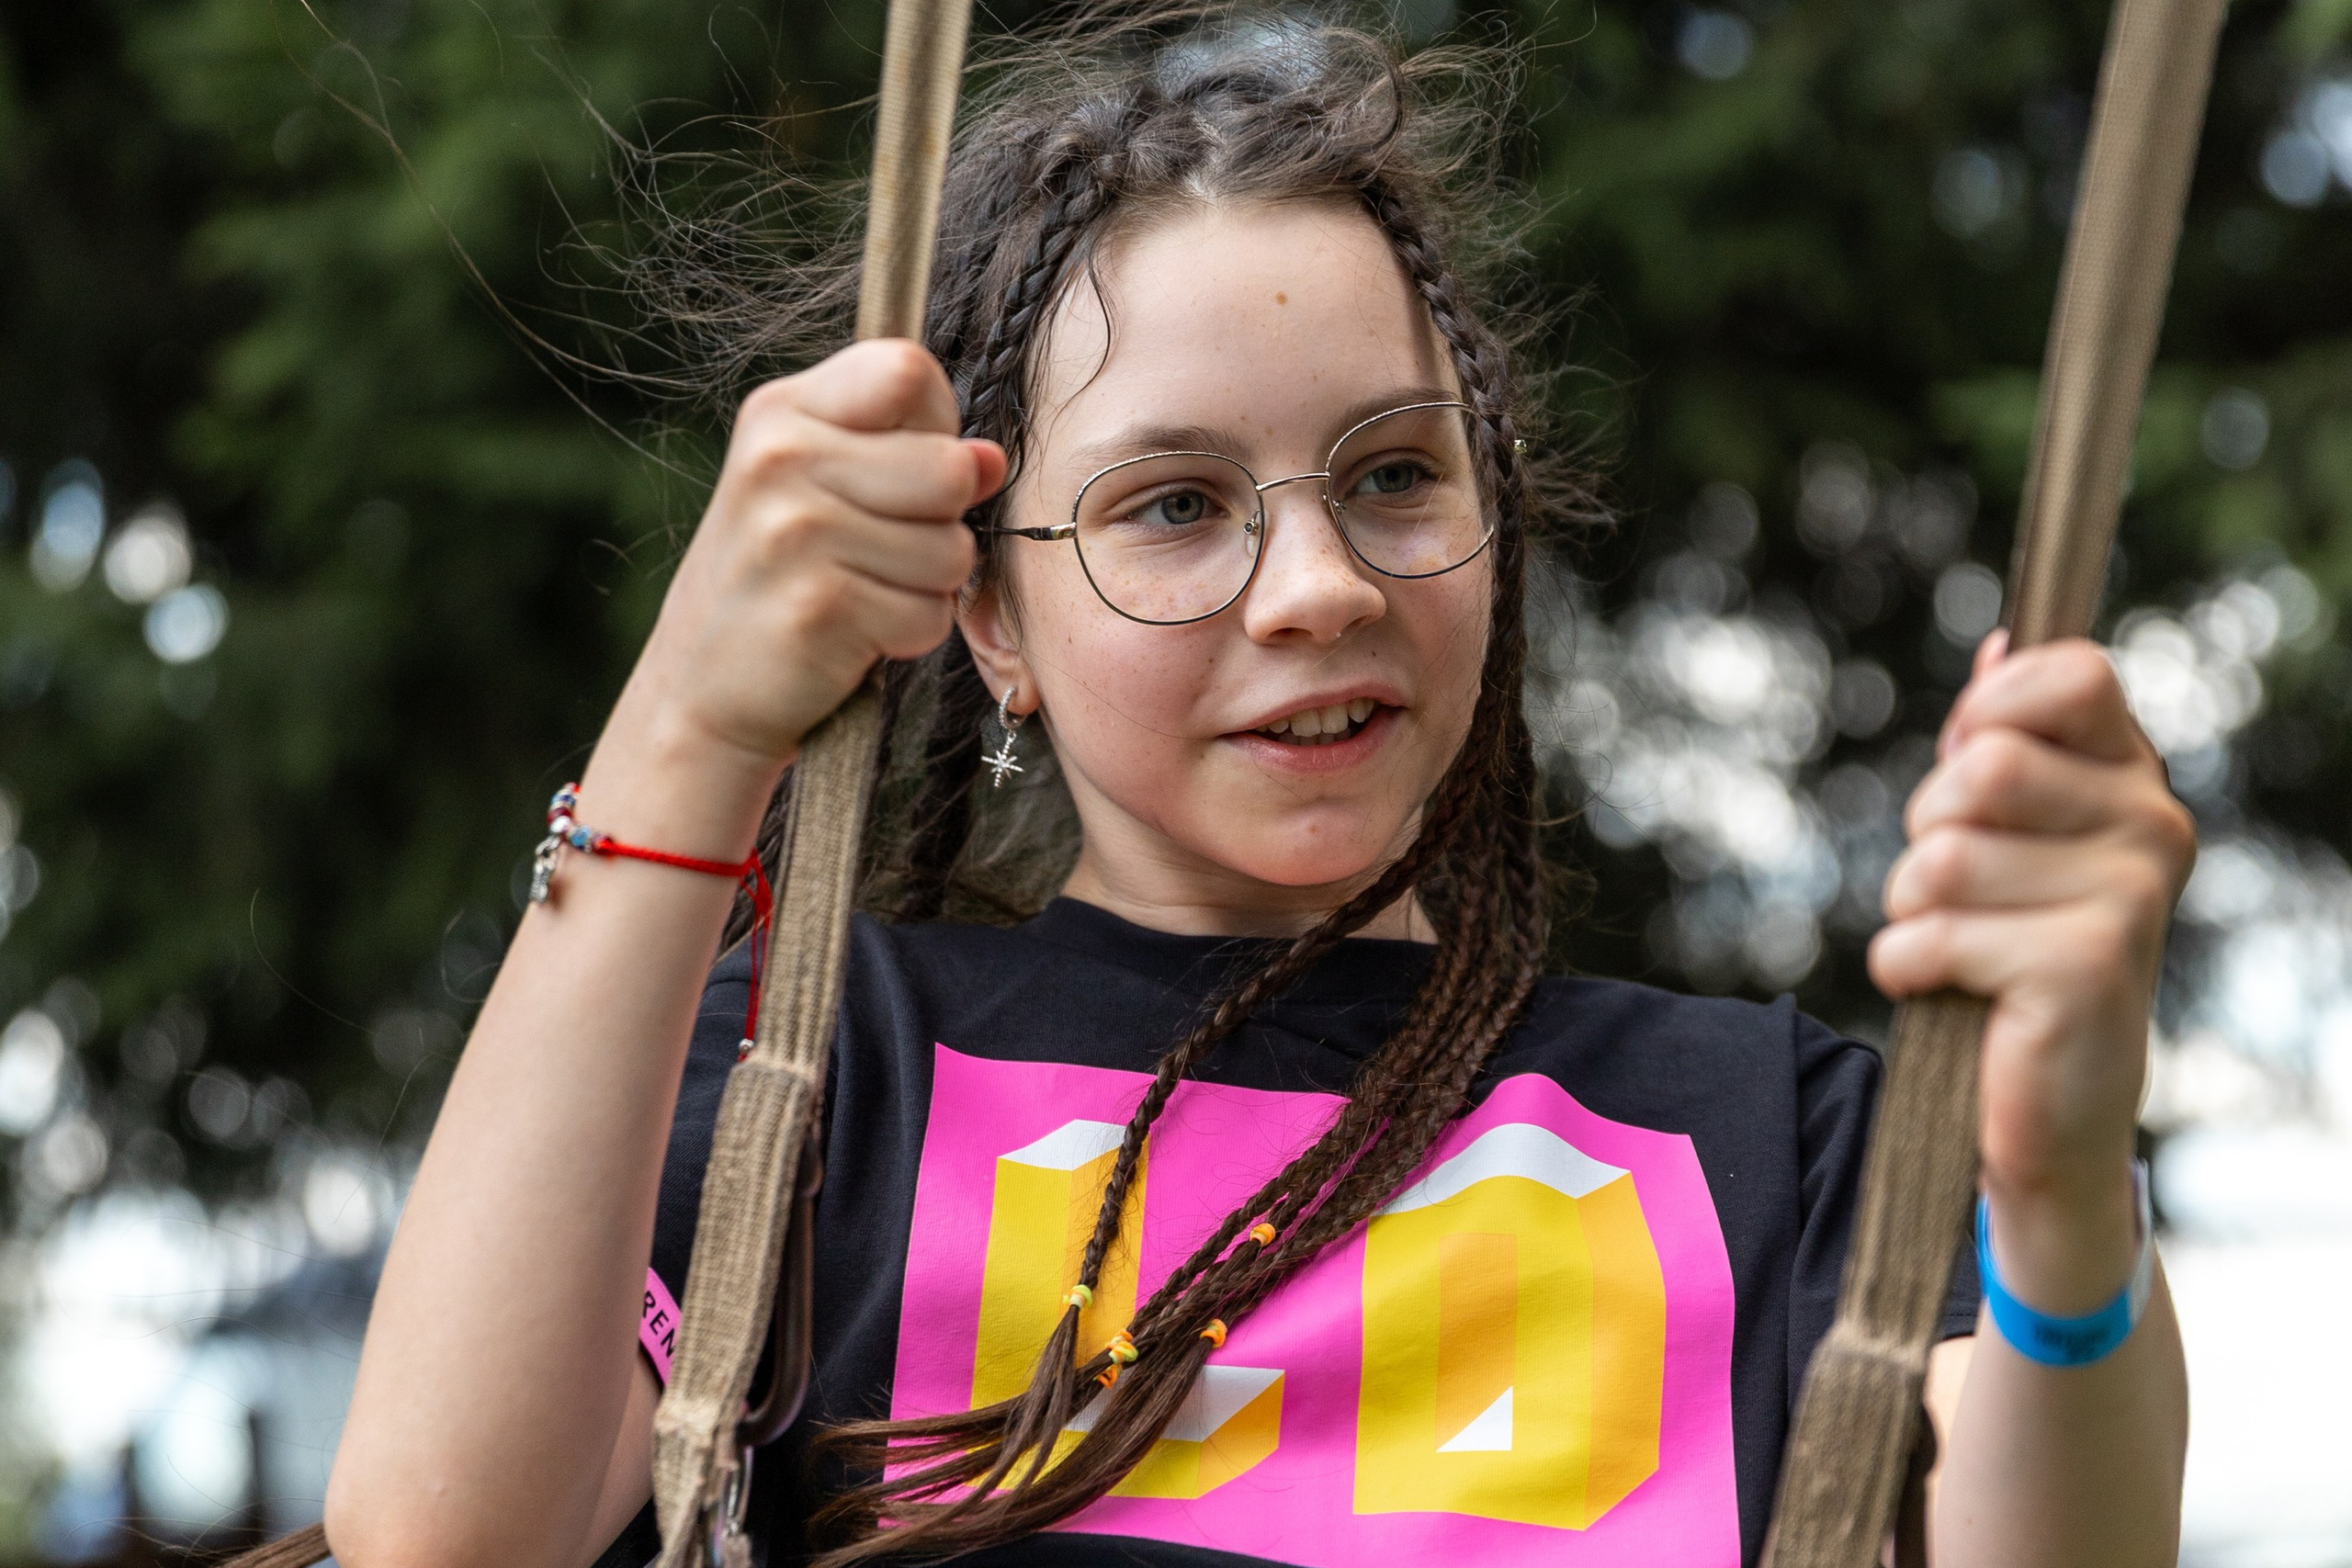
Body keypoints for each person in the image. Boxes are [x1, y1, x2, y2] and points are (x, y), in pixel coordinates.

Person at [321, 14, 2191, 1568]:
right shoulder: (811, 1089)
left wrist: (2059, 1198)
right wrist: (688, 724)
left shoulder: (1780, 1132)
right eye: (1172, 504)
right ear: (987, 613)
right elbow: (442, 1525)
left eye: (1391, 474)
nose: (1317, 586)